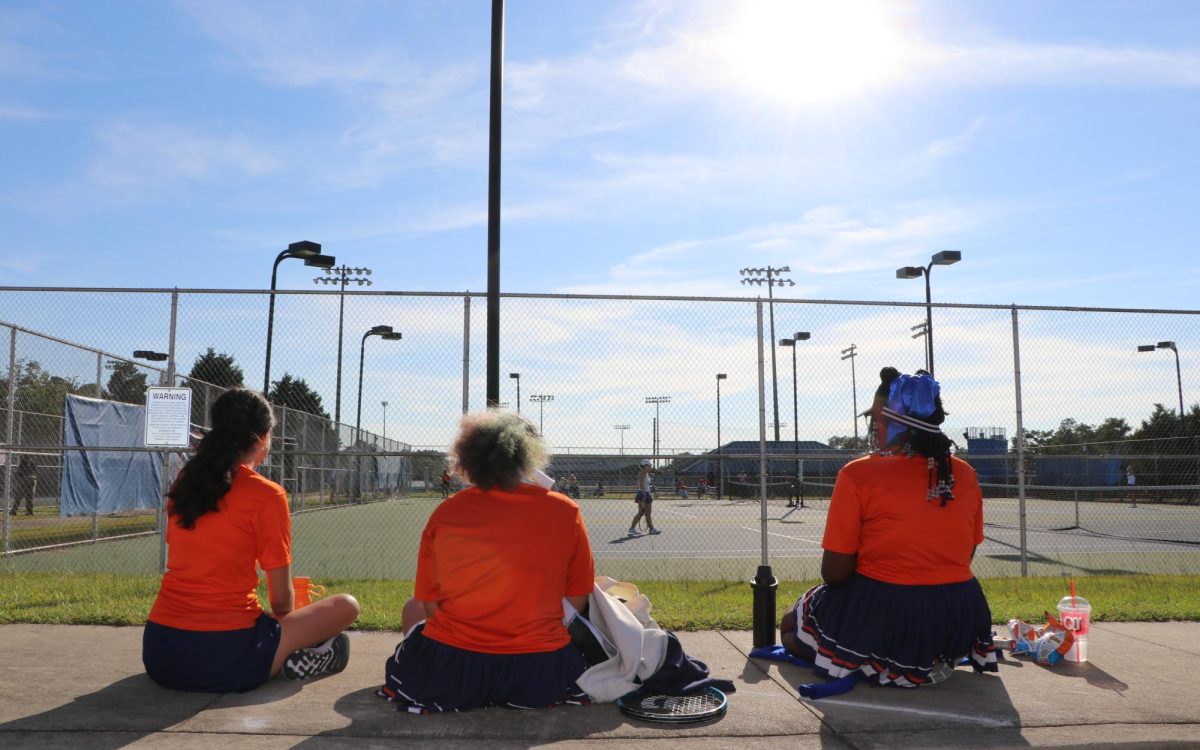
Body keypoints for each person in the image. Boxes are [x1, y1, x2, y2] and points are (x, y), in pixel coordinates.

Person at [779, 368, 997, 688]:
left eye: (877, 419)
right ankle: (928, 658)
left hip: (889, 606)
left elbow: (834, 574)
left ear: (889, 422)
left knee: (790, 625)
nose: (873, 426)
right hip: (959, 611)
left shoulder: (858, 474)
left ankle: (875, 661)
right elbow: (966, 553)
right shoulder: (963, 474)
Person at [142, 388, 360, 692]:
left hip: (161, 653)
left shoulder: (186, 481)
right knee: (347, 605)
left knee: (269, 621)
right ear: (263, 437)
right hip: (228, 658)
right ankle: (301, 653)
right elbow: (282, 601)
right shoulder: (267, 494)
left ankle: (294, 650)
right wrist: (290, 626)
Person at [381, 410, 595, 712]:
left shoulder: (447, 512)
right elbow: (576, 601)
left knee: (411, 608)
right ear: (531, 455)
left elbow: (430, 604)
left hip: (453, 669)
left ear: (471, 456)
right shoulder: (566, 511)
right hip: (538, 669)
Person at [628, 459, 659, 535]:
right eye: (650, 465)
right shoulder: (643, 472)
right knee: (646, 513)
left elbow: (643, 484)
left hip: (643, 493)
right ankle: (651, 529)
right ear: (645, 466)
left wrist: (649, 488)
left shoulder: (645, 473)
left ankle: (632, 528)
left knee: (642, 513)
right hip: (644, 493)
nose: (651, 466)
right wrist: (644, 494)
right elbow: (641, 484)